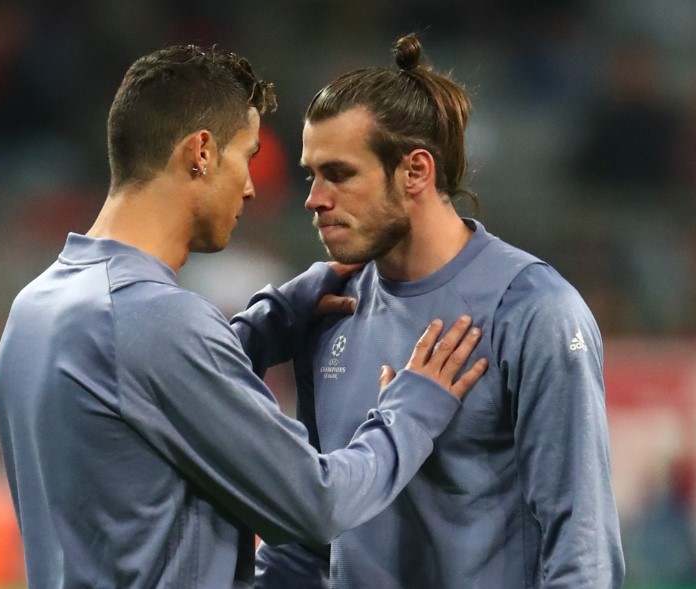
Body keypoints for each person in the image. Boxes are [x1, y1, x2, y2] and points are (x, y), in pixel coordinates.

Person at [0, 43, 489, 588]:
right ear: (200, 152)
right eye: (247, 156)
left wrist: (261, 326)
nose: (250, 188)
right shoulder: (154, 320)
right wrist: (413, 406)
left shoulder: (37, 307)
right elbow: (318, 504)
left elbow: (138, 405)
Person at [238, 34, 625, 588]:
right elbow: (304, 542)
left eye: (339, 174)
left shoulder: (535, 311)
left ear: (415, 172)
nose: (315, 199)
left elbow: (580, 549)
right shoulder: (328, 311)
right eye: (311, 175)